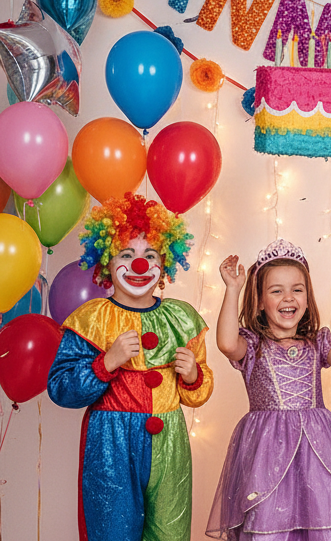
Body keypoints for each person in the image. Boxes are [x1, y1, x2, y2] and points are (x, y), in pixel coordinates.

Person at [47, 194, 213, 541]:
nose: (139, 265)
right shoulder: (91, 318)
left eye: (150, 255)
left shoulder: (182, 318)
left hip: (169, 442)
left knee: (170, 532)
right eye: (126, 254)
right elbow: (61, 388)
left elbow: (197, 393)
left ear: (165, 262)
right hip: (110, 443)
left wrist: (193, 376)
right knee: (112, 531)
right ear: (106, 262)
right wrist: (105, 363)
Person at [206, 239, 331, 540]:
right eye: (276, 291)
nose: (288, 297)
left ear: (307, 298)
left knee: (320, 513)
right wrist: (232, 290)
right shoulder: (252, 345)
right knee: (269, 517)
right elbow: (227, 344)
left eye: (297, 289)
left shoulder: (317, 343)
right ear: (259, 302)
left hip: (316, 450)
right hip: (267, 450)